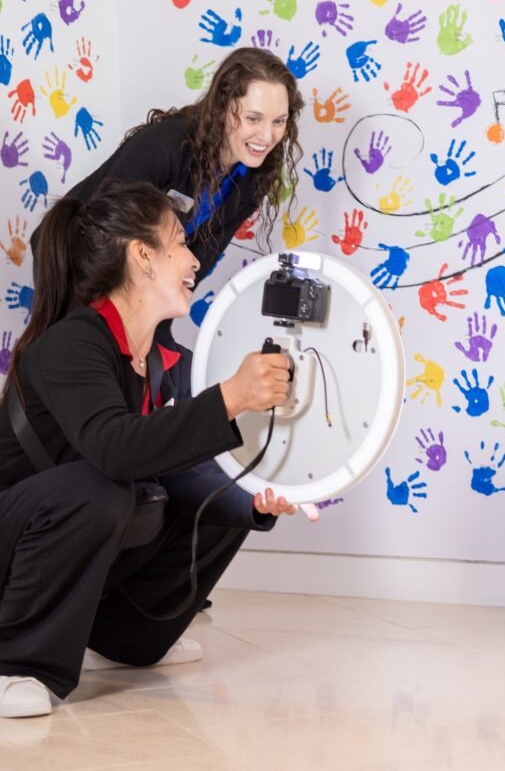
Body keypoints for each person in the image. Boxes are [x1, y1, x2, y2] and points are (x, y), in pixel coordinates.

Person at [0, 180, 295, 719]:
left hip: (66, 544)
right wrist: (229, 397)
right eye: (180, 242)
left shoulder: (162, 358)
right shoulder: (72, 343)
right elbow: (114, 450)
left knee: (218, 499)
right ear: (142, 257)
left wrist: (249, 502)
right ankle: (15, 663)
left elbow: (176, 466)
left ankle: (124, 640)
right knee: (100, 488)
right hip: (11, 549)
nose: (193, 259)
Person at [62, 46, 304, 289]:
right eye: (253, 118)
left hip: (139, 282)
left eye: (278, 122)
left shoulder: (254, 178)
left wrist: (162, 311)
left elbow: (197, 262)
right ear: (223, 108)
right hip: (75, 257)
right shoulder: (166, 147)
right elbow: (104, 234)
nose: (266, 136)